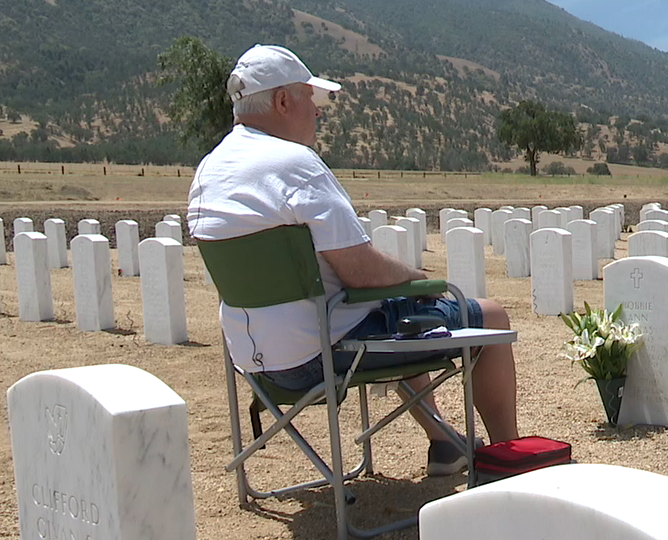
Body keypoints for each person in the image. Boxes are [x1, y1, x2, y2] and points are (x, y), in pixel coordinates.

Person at [188, 44, 518, 475]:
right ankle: (510, 459)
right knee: (486, 316)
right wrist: (419, 280)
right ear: (283, 101)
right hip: (323, 352)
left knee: (396, 315)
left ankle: (444, 442)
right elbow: (361, 271)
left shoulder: (208, 171)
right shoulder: (294, 164)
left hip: (256, 362)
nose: (318, 112)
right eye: (311, 98)